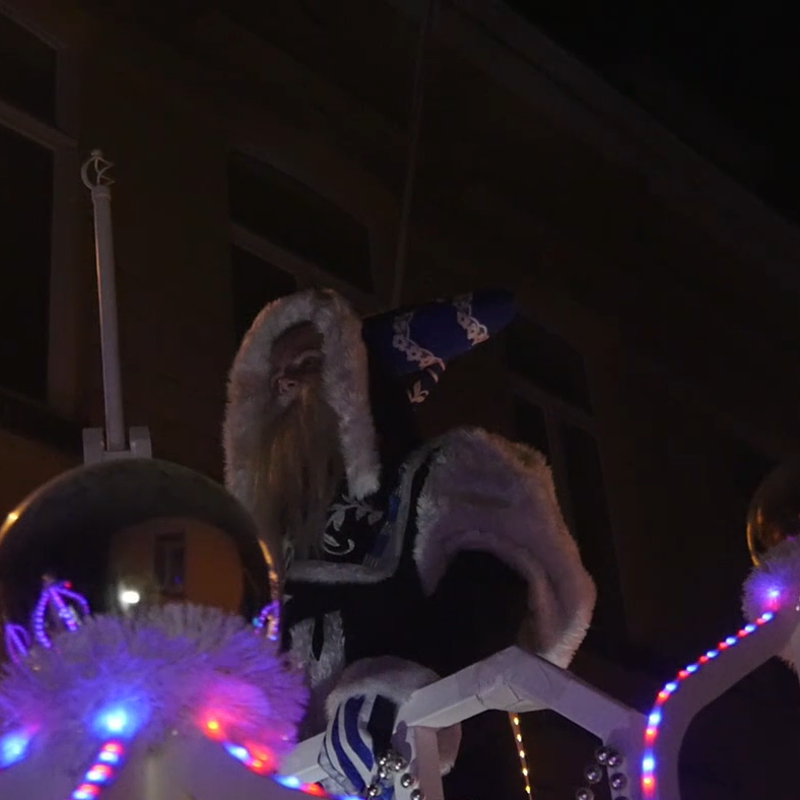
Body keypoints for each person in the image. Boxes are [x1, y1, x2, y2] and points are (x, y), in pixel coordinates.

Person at [223, 287, 597, 798]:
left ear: (353, 380)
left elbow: (490, 587)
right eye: (275, 378)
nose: (288, 382)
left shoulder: (441, 475)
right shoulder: (253, 559)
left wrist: (395, 689)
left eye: (310, 363)